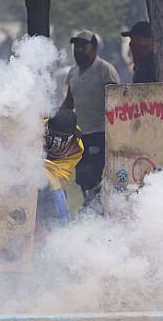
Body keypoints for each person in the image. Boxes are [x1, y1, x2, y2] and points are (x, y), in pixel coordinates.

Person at [61, 30, 120, 214]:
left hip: (100, 132)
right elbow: (70, 101)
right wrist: (56, 117)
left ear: (93, 48)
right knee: (81, 176)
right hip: (80, 133)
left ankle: (93, 210)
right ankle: (92, 207)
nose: (78, 50)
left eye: (83, 46)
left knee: (92, 173)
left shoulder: (105, 70)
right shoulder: (72, 72)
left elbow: (117, 100)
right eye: (76, 46)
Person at [36, 108, 84, 238]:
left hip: (51, 181)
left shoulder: (77, 147)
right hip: (28, 176)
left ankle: (56, 236)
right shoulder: (35, 128)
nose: (57, 144)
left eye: (62, 139)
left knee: (55, 203)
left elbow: (61, 175)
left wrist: (45, 171)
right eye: (54, 137)